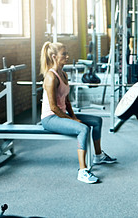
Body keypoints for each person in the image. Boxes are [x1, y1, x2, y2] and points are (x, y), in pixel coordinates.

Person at [40, 41, 116, 184]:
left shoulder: (63, 74)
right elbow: (54, 107)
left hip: (61, 114)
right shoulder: (51, 77)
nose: (67, 56)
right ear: (54, 56)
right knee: (83, 129)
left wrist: (73, 116)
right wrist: (73, 121)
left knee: (97, 121)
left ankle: (98, 156)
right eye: (64, 54)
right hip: (50, 118)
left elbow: (67, 101)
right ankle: (82, 171)